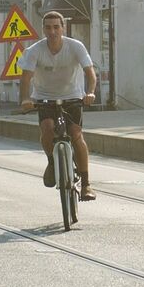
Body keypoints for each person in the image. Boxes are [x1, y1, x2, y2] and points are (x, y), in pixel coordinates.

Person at [18, 11, 99, 201]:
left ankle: (86, 183)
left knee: (76, 134)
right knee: (47, 129)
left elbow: (90, 72)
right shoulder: (34, 51)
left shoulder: (75, 46)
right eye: (48, 27)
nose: (52, 31)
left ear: (63, 28)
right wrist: (25, 99)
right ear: (43, 29)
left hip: (72, 97)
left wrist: (90, 92)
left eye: (56, 27)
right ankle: (52, 163)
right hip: (44, 97)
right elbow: (25, 78)